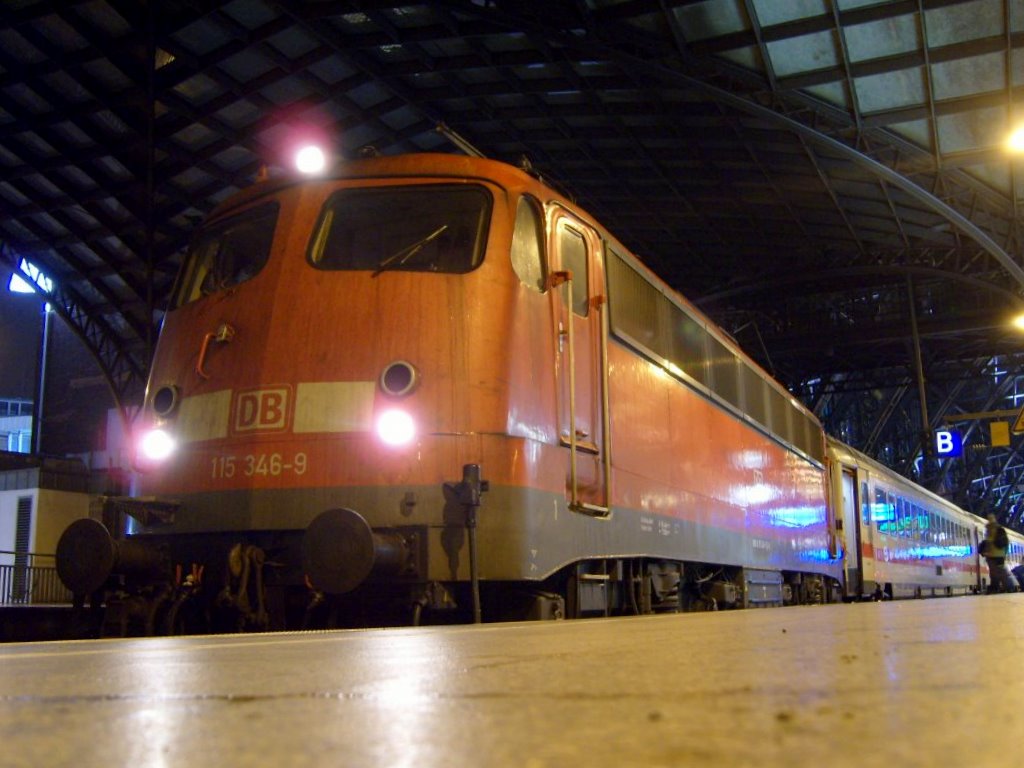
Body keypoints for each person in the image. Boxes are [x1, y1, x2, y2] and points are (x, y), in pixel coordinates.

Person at [981, 514, 1017, 593]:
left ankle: (997, 588)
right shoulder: (1000, 529)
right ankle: (1007, 587)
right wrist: (1004, 553)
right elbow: (1006, 542)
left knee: (995, 572)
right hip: (999, 555)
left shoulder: (989, 530)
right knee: (1000, 572)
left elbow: (988, 543)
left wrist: (985, 551)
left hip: (991, 555)